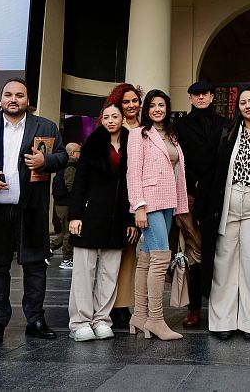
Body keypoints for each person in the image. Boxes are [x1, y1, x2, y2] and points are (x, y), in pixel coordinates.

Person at [0, 77, 68, 345]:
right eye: (8, 94)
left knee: (35, 266)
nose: (13, 99)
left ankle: (35, 319)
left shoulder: (45, 126)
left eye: (19, 95)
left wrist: (46, 161)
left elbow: (62, 157)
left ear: (27, 100)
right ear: (1, 99)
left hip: (30, 208)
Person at [200, 86, 250, 340]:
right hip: (229, 200)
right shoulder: (227, 131)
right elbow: (210, 170)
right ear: (238, 107)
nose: (248, 105)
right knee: (224, 262)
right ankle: (222, 321)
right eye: (243, 102)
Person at [65, 101, 135, 342]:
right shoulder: (92, 145)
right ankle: (80, 321)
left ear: (122, 118)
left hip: (118, 218)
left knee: (109, 272)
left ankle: (103, 319)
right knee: (84, 272)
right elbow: (80, 183)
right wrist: (75, 215)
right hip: (90, 215)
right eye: (107, 117)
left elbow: (132, 186)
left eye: (115, 116)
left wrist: (131, 220)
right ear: (102, 120)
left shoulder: (131, 144)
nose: (111, 120)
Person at [126, 89, 189, 341]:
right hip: (149, 202)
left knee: (147, 257)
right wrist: (138, 206)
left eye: (161, 105)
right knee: (162, 257)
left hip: (168, 201)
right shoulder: (137, 135)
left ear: (167, 108)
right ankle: (155, 319)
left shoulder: (172, 135)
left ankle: (139, 316)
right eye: (152, 106)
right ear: (146, 109)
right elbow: (133, 172)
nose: (157, 110)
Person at [173, 80, 228, 328]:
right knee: (194, 252)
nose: (201, 98)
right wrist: (192, 184)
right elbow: (177, 160)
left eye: (205, 93)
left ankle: (219, 308)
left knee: (220, 252)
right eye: (196, 94)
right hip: (192, 194)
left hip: (219, 194)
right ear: (190, 98)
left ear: (212, 96)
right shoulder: (180, 125)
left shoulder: (225, 124)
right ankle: (194, 308)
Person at [107, 82, 142, 326]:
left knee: (130, 255)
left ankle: (122, 305)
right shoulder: (111, 127)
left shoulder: (146, 128)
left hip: (139, 199)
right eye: (126, 102)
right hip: (114, 199)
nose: (131, 105)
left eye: (134, 101)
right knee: (111, 254)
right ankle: (106, 304)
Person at [50, 142, 81, 269]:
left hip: (62, 204)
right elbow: (71, 186)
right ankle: (66, 260)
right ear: (73, 153)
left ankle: (48, 250)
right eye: (79, 151)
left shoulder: (62, 166)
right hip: (66, 205)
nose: (81, 154)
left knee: (64, 232)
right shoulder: (71, 166)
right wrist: (77, 200)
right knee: (69, 233)